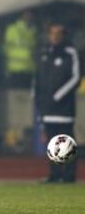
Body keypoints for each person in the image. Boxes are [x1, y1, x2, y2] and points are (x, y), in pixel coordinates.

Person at [34, 23, 81, 183]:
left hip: (64, 108)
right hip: (47, 108)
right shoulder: (43, 53)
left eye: (59, 33)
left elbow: (75, 77)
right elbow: (38, 78)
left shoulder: (71, 52)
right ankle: (54, 175)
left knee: (66, 142)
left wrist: (58, 96)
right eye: (52, 33)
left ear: (64, 35)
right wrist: (39, 98)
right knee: (51, 143)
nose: (55, 36)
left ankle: (68, 176)